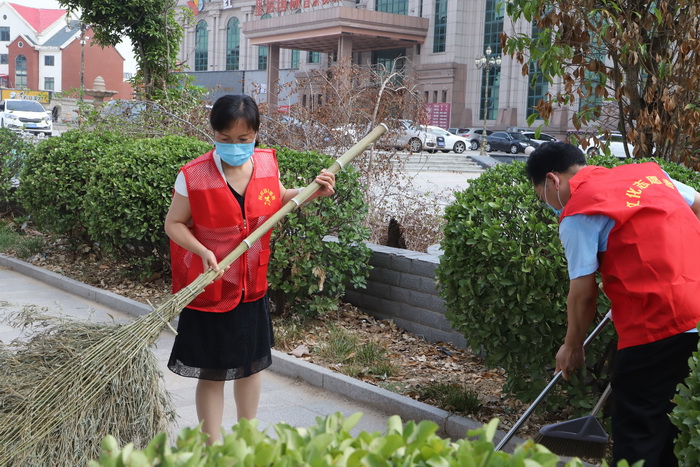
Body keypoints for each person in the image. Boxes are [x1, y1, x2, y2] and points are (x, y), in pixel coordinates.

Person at [164, 94, 336, 444]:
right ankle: (212, 448)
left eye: (244, 139)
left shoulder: (266, 166)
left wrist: (309, 193)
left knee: (250, 365)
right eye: (225, 139)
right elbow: (174, 224)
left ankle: (246, 441)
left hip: (250, 287)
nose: (235, 146)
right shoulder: (194, 176)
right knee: (212, 372)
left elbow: (275, 197)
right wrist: (203, 251)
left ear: (256, 134)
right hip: (211, 288)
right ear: (214, 134)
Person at [525, 142, 700, 466]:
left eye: (541, 197)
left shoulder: (578, 213)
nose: (547, 205)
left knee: (637, 429)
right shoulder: (649, 175)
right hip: (695, 311)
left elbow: (583, 292)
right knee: (669, 417)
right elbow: (698, 205)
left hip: (656, 322)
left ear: (552, 181)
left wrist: (572, 346)